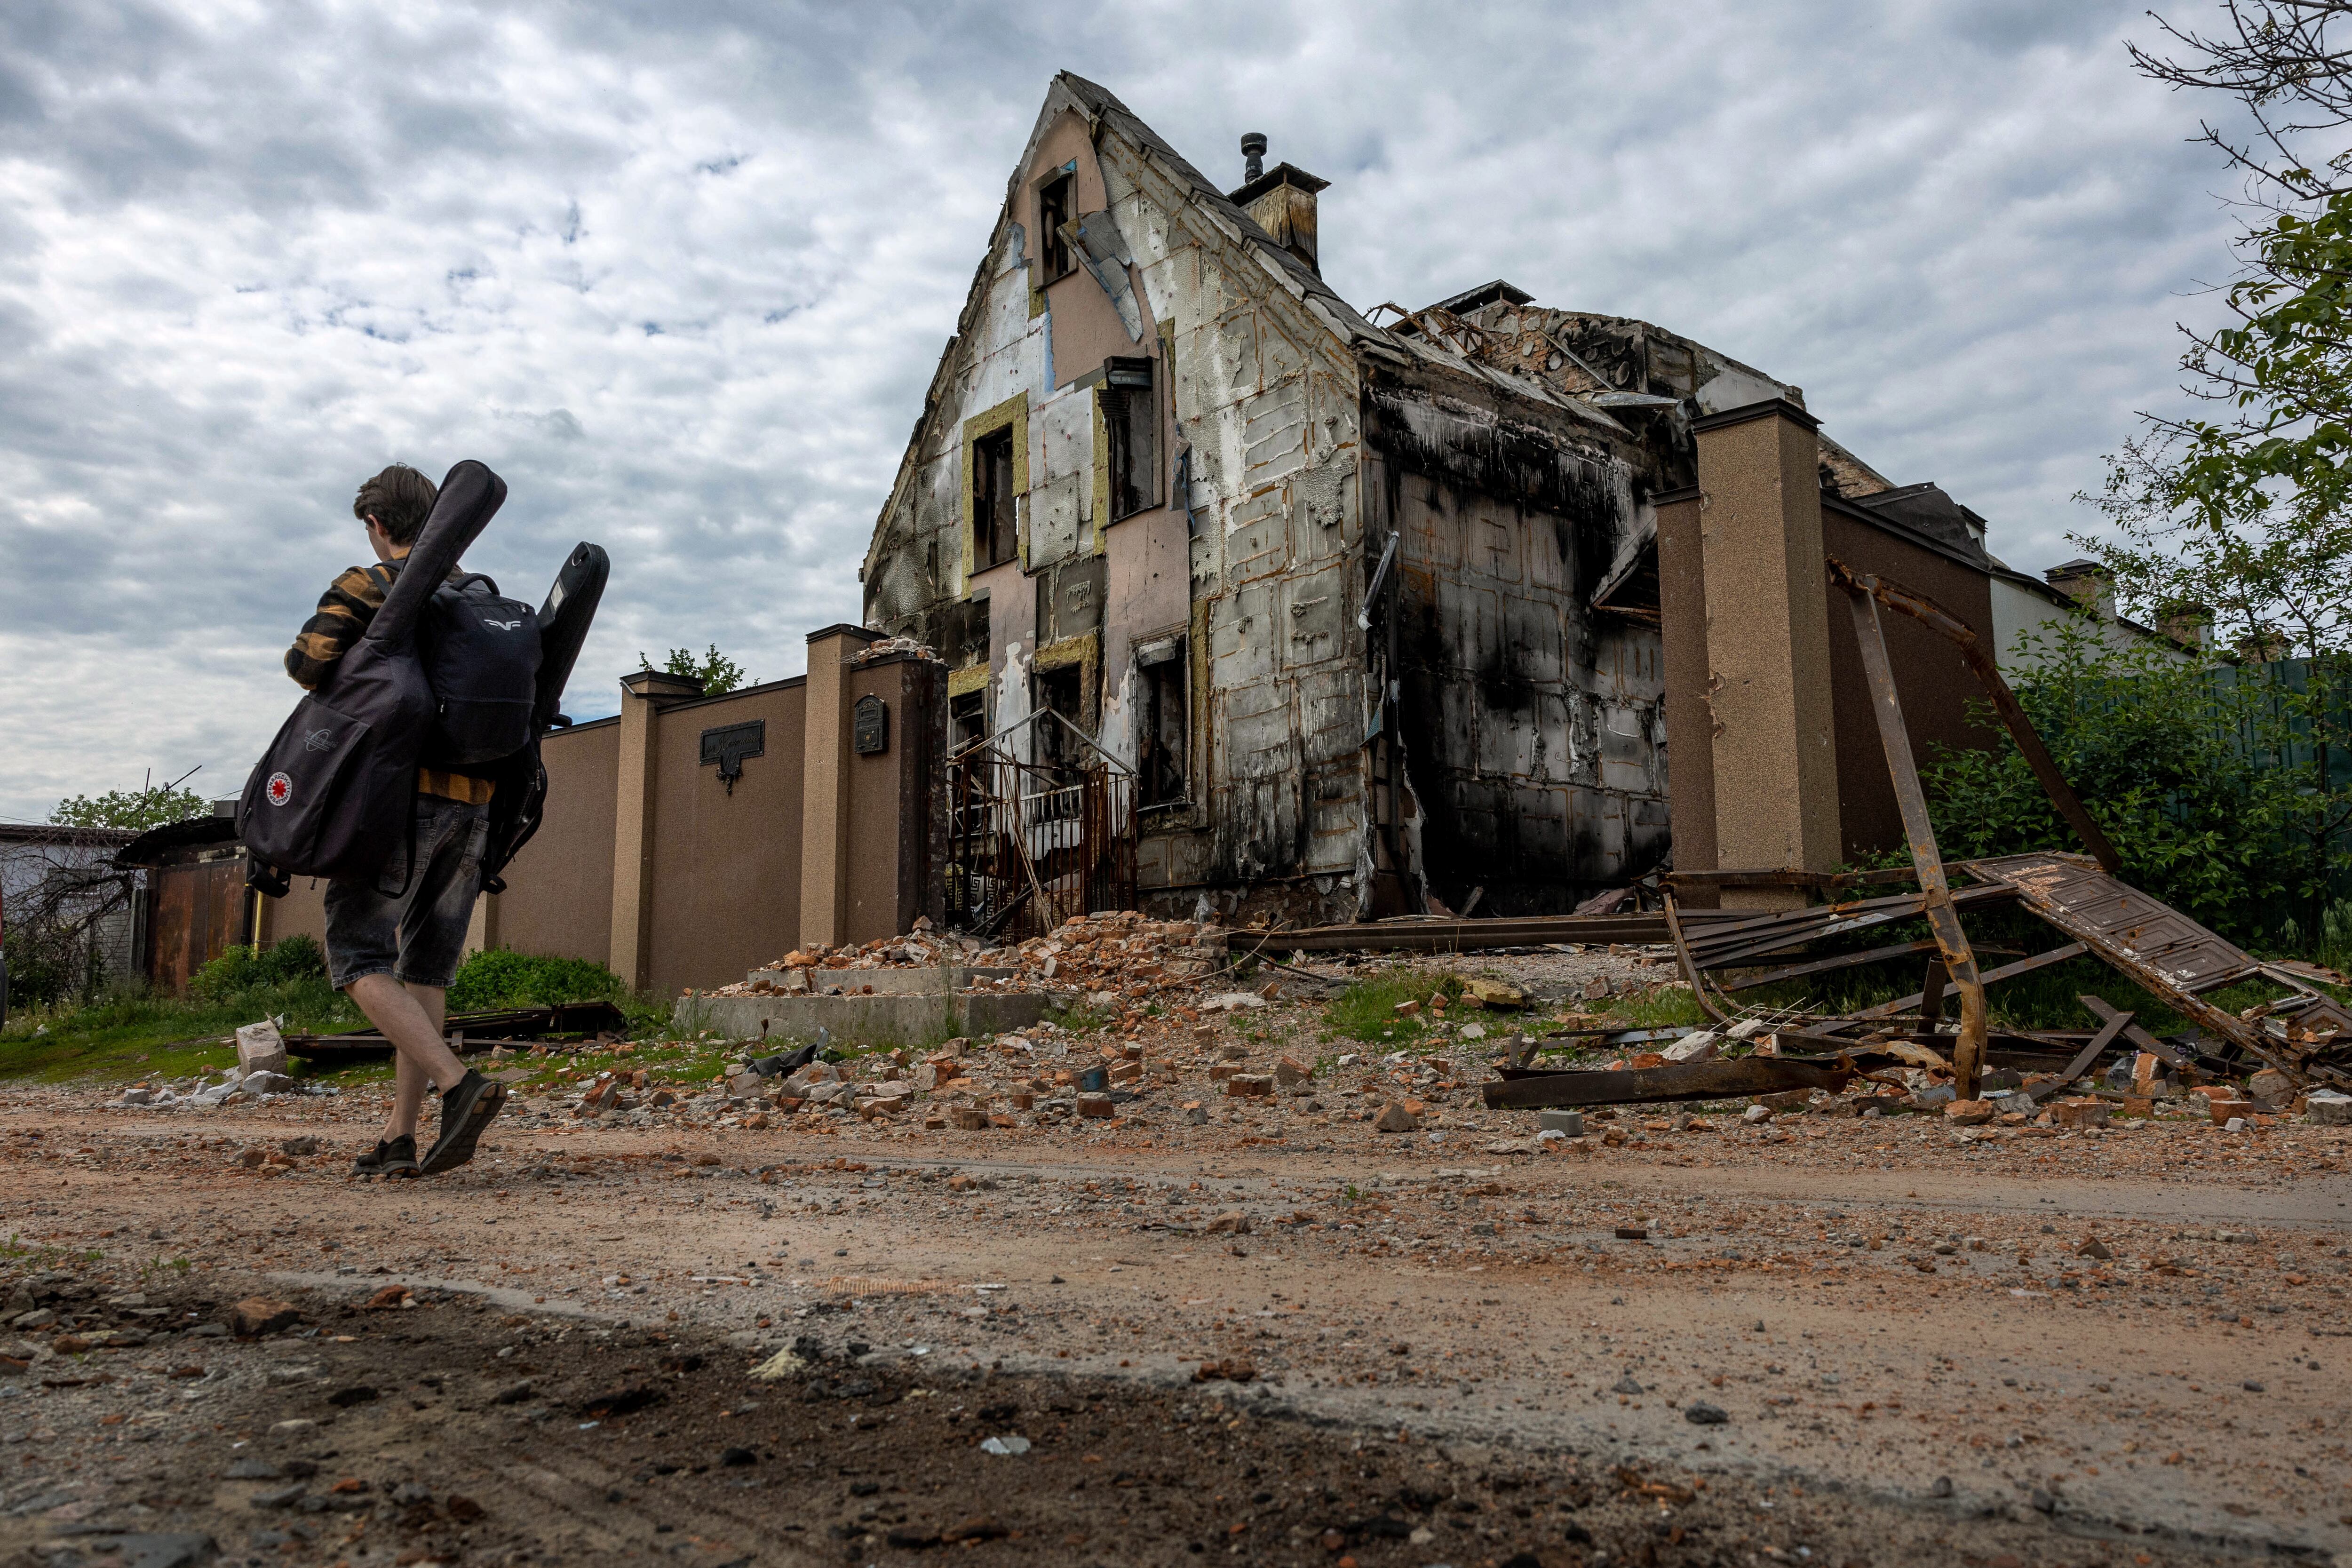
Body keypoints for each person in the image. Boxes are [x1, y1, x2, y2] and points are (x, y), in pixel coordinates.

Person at [287, 463, 508, 1178]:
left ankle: (458, 1083)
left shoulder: (370, 583)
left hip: (396, 802)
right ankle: (399, 1134)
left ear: (379, 525)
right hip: (474, 805)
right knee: (426, 968)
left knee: (356, 955)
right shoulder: (484, 597)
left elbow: (307, 661)